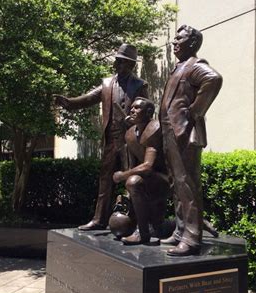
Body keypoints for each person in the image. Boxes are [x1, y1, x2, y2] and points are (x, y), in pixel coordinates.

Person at [55, 44, 148, 231]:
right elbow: (89, 97)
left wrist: (135, 120)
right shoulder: (107, 83)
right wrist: (70, 103)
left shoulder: (140, 85)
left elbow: (146, 110)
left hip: (129, 140)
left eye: (121, 62)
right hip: (111, 140)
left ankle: (137, 223)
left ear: (130, 64)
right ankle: (99, 220)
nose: (117, 64)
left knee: (132, 181)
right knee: (105, 180)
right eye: (116, 61)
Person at [159, 25, 223, 256]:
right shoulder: (179, 67)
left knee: (187, 185)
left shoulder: (195, 66)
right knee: (177, 185)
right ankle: (180, 230)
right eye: (174, 38)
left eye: (180, 39)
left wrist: (194, 112)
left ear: (193, 43)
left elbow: (214, 79)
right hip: (171, 133)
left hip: (184, 133)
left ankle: (192, 237)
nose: (174, 42)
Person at [112, 97, 169, 245]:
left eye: (137, 108)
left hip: (164, 179)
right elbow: (132, 166)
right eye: (131, 107)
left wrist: (122, 176)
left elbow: (148, 166)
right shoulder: (130, 133)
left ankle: (142, 234)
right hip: (147, 178)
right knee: (132, 182)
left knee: (133, 181)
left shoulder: (155, 128)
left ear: (149, 112)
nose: (132, 110)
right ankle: (144, 228)